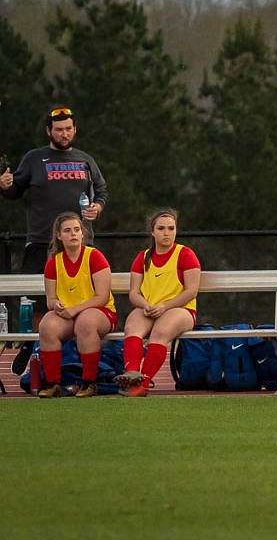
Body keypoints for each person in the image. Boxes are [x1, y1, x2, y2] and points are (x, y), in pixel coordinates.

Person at [2, 106, 108, 374]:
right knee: (38, 303)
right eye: (59, 129)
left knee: (82, 302)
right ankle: (33, 350)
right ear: (49, 131)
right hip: (40, 243)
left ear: (75, 129)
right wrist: (5, 185)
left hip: (80, 246)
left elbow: (102, 191)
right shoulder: (34, 159)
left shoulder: (86, 160)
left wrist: (97, 206)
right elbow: (15, 190)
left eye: (68, 128)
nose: (64, 134)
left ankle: (78, 367)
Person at [116, 209, 201, 397]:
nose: (166, 232)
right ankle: (131, 375)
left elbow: (191, 291)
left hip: (180, 309)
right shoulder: (143, 257)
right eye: (161, 228)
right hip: (150, 307)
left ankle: (142, 384)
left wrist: (165, 306)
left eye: (171, 228)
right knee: (132, 327)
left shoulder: (185, 254)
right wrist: (145, 304)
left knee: (160, 333)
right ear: (152, 232)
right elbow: (134, 293)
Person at [36, 212, 118, 398]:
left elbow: (102, 297)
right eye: (67, 230)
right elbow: (50, 300)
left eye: (76, 230)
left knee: (85, 322)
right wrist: (57, 305)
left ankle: (89, 382)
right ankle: (53, 383)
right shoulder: (53, 262)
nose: (73, 234)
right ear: (59, 236)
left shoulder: (94, 256)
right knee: (47, 325)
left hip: (101, 313)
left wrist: (75, 309)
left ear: (82, 234)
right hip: (69, 315)